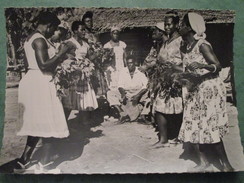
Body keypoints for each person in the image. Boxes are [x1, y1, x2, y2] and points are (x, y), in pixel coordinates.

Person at [178, 12, 234, 172]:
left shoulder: (202, 45)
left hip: (208, 90)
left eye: (182, 24)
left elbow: (217, 65)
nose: (180, 27)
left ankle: (227, 167)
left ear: (190, 28)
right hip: (194, 90)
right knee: (193, 124)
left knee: (210, 126)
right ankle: (204, 163)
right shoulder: (186, 46)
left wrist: (202, 66)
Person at [15, 12, 70, 173]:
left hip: (33, 80)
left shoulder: (29, 38)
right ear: (48, 25)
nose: (52, 33)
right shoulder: (39, 40)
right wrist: (61, 53)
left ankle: (23, 162)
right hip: (41, 81)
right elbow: (44, 65)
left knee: (37, 124)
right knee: (48, 121)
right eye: (52, 29)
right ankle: (45, 166)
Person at [153, 11, 183, 148]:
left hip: (176, 79)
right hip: (164, 80)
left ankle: (178, 137)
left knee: (177, 110)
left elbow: (186, 61)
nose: (166, 27)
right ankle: (163, 139)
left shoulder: (180, 41)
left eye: (169, 24)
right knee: (159, 108)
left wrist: (175, 69)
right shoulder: (166, 42)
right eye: (165, 24)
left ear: (176, 24)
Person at [62, 21, 98, 123]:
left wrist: (97, 54)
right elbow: (62, 56)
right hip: (73, 75)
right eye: (81, 29)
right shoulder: (69, 42)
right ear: (74, 31)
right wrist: (72, 62)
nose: (84, 32)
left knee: (84, 98)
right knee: (70, 100)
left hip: (84, 75)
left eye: (84, 30)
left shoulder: (85, 43)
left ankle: (84, 123)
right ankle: (63, 123)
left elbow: (89, 57)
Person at [107, 55, 148, 122]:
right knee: (110, 93)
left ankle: (143, 114)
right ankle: (122, 114)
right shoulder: (123, 71)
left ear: (135, 63)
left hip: (138, 92)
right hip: (126, 92)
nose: (129, 65)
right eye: (128, 63)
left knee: (148, 94)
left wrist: (137, 95)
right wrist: (123, 94)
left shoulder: (140, 71)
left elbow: (145, 86)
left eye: (131, 63)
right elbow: (120, 85)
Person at [81, 11, 108, 98]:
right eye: (87, 21)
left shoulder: (95, 35)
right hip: (89, 60)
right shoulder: (83, 36)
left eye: (91, 21)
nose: (90, 23)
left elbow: (99, 45)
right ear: (83, 23)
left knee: (98, 82)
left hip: (97, 61)